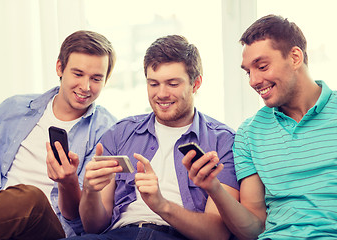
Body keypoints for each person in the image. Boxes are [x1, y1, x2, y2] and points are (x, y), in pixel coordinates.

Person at [66, 35, 240, 240]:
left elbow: (217, 234)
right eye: (154, 84)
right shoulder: (120, 133)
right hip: (119, 235)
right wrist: (90, 191)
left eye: (172, 84)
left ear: (196, 84)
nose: (161, 94)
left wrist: (161, 205)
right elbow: (93, 226)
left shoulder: (223, 141)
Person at [183, 14, 337, 240]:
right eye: (248, 72)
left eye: (262, 66)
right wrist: (213, 188)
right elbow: (254, 229)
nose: (253, 81)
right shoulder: (249, 133)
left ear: (295, 57)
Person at [0, 30, 117, 239]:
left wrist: (67, 182)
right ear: (60, 67)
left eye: (96, 78)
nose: (86, 87)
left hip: (50, 228)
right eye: (78, 74)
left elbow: (83, 222)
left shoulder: (107, 132)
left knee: (30, 197)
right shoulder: (14, 109)